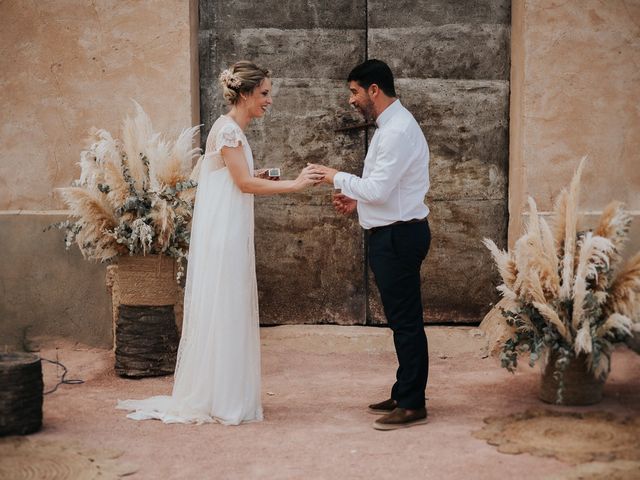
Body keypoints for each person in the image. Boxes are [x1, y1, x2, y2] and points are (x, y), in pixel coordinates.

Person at [117, 61, 324, 425]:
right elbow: (243, 185)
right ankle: (222, 398)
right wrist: (295, 185)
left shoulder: (230, 131)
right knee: (227, 307)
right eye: (263, 94)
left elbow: (231, 179)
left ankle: (223, 392)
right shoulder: (228, 131)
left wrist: (253, 176)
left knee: (227, 308)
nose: (269, 101)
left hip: (227, 231)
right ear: (244, 94)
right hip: (225, 237)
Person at [311, 59, 431, 430]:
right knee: (401, 321)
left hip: (399, 237)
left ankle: (412, 404)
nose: (351, 100)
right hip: (394, 231)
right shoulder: (392, 126)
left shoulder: (396, 131)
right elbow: (384, 188)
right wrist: (357, 199)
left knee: (406, 323)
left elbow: (378, 188)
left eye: (354, 91)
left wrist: (337, 176)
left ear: (373, 89)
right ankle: (403, 390)